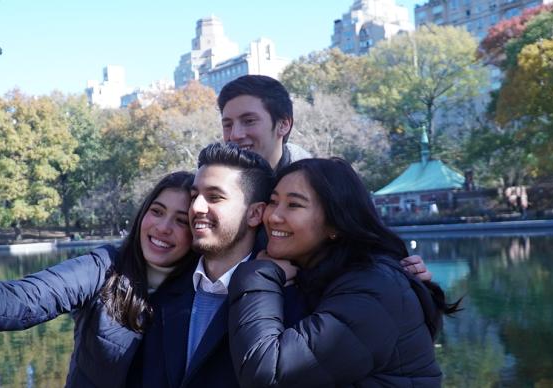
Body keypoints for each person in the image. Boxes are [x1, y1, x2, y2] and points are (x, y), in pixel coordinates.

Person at [0, 171, 199, 388]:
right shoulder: (105, 267)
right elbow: (18, 303)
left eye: (181, 220)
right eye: (157, 211)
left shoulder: (206, 288)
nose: (163, 227)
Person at [227, 158, 461, 387]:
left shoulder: (373, 291)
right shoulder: (315, 275)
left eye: (294, 205)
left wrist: (259, 274)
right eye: (273, 201)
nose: (273, 216)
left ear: (335, 223)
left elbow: (266, 372)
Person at [218, 75, 430, 280]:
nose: (235, 134)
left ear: (284, 125)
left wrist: (403, 274)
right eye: (227, 124)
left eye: (249, 121)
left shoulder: (326, 187)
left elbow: (367, 245)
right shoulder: (209, 190)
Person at [130, 142, 289, 388]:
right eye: (195, 196)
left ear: (255, 214)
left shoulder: (287, 299)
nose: (195, 208)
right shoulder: (162, 294)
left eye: (214, 197)